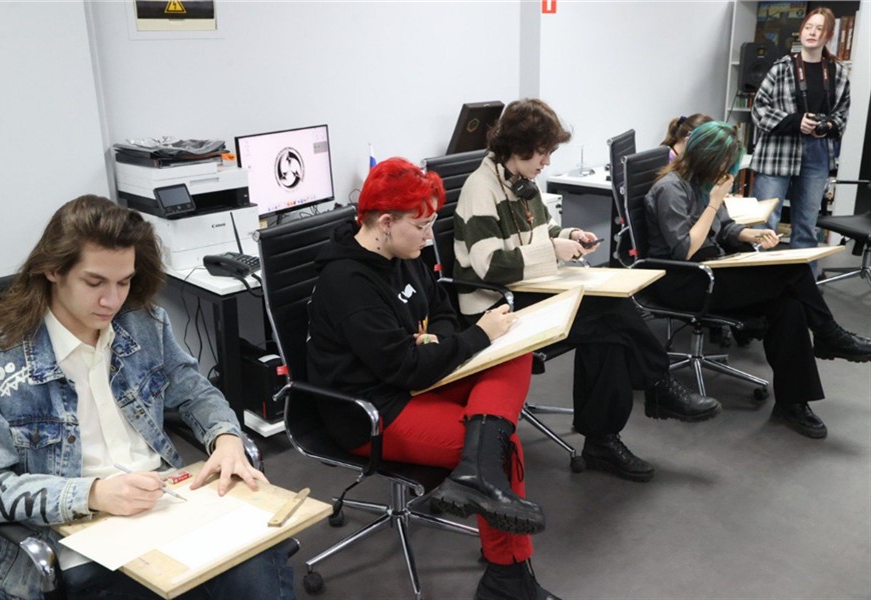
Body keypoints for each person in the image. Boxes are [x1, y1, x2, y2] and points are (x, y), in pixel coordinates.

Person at [0, 196, 295, 600]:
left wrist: (226, 436)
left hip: (165, 505)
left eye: (123, 282)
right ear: (53, 270)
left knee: (257, 567)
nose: (112, 300)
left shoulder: (143, 324)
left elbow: (194, 390)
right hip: (75, 539)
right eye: (95, 283)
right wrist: (93, 494)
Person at [306, 157, 559, 600]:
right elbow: (404, 366)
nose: (429, 236)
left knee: (514, 350)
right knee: (503, 447)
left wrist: (439, 340)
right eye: (421, 226)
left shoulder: (403, 255)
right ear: (386, 223)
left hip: (415, 377)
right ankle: (507, 580)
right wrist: (474, 337)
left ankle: (476, 470)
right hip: (373, 410)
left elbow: (441, 309)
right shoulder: (348, 282)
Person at [453, 98, 721, 484]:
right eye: (542, 153)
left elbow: (545, 231)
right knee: (609, 315)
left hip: (527, 288)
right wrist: (553, 250)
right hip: (495, 306)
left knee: (609, 329)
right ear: (518, 147)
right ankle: (652, 390)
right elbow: (489, 265)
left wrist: (571, 235)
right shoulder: (481, 189)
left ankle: (605, 439)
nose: (547, 162)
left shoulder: (521, 182)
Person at [643, 120, 871, 439]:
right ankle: (829, 334)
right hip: (683, 281)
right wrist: (714, 201)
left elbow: (723, 227)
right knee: (791, 272)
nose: (726, 171)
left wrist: (749, 234)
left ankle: (793, 402)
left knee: (789, 304)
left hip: (711, 269)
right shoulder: (670, 189)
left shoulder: (702, 181)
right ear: (706, 158)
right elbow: (684, 249)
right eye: (723, 163)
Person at [751, 7, 851, 275]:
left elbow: (842, 115)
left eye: (819, 29)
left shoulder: (838, 73)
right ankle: (758, 283)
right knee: (764, 223)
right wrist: (796, 122)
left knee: (806, 225)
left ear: (828, 36)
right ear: (801, 31)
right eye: (809, 27)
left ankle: (802, 284)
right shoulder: (781, 68)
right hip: (778, 151)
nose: (813, 33)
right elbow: (758, 110)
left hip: (817, 152)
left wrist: (826, 126)